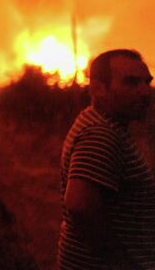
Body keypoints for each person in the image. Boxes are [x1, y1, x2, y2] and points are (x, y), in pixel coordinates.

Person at [58, 49, 155, 270]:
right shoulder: (101, 134)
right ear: (98, 89)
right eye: (131, 83)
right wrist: (118, 261)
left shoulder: (101, 123)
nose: (144, 91)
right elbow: (80, 204)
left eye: (146, 82)